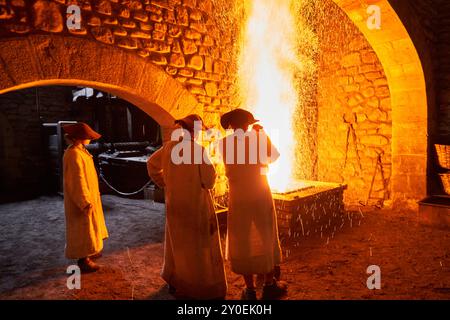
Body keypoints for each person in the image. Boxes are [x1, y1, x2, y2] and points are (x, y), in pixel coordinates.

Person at [147, 114, 227, 299]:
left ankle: (175, 280)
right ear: (194, 131)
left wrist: (164, 183)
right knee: (198, 248)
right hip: (195, 206)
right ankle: (198, 286)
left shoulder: (168, 147)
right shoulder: (198, 150)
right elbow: (208, 182)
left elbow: (151, 164)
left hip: (175, 205)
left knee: (177, 244)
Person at [219, 108, 287, 300]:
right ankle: (269, 284)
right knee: (266, 235)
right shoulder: (258, 137)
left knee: (242, 238)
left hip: (239, 196)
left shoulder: (223, 143)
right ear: (248, 124)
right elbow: (273, 157)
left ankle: (249, 290)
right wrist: (262, 135)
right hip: (259, 192)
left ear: (231, 126)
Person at [63, 122, 108, 273]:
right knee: (83, 229)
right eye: (87, 137)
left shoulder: (80, 150)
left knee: (90, 227)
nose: (89, 139)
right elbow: (77, 180)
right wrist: (84, 201)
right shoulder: (73, 154)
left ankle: (90, 251)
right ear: (80, 138)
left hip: (89, 195)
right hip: (81, 200)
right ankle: (83, 260)